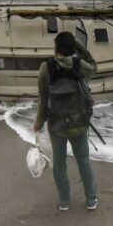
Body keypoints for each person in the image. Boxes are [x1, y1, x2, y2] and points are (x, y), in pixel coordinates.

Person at [33, 31, 98, 211]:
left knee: (59, 164)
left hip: (57, 125)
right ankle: (91, 199)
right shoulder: (80, 65)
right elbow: (94, 65)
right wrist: (78, 46)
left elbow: (43, 97)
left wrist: (39, 121)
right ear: (72, 48)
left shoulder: (46, 67)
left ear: (56, 48)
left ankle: (64, 201)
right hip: (79, 122)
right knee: (83, 160)